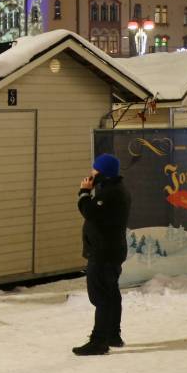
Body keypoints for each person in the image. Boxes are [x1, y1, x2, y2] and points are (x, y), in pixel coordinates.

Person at [74, 153, 131, 356]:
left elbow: (90, 212)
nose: (92, 173)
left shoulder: (110, 193)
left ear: (103, 172)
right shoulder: (113, 189)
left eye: (95, 169)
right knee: (111, 294)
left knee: (101, 297)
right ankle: (113, 335)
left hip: (103, 253)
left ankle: (99, 341)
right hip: (110, 251)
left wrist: (84, 193)